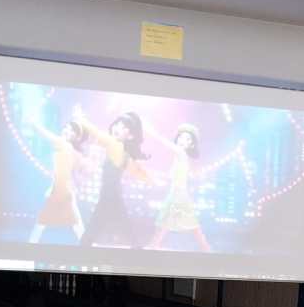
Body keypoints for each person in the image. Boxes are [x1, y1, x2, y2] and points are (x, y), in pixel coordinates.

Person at [75, 108, 150, 248]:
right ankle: (136, 247)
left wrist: (81, 119)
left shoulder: (115, 145)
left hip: (109, 193)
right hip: (112, 193)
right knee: (120, 221)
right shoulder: (120, 149)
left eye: (124, 127)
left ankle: (84, 245)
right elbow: (137, 171)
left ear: (130, 136)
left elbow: (96, 133)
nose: (117, 128)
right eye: (118, 124)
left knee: (99, 222)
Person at [146, 123, 212, 252]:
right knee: (178, 222)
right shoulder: (179, 157)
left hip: (178, 193)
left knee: (172, 221)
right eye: (181, 137)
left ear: (191, 145)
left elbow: (164, 142)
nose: (182, 140)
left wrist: (152, 132)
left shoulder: (181, 153)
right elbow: (172, 176)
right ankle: (206, 248)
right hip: (177, 192)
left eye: (187, 139)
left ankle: (153, 245)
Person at [28, 120, 88, 243]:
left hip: (63, 190)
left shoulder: (62, 143)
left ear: (76, 136)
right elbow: (73, 173)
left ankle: (30, 245)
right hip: (61, 189)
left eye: (72, 130)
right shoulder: (72, 150)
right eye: (66, 127)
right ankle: (87, 246)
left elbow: (45, 133)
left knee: (42, 223)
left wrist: (33, 123)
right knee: (75, 224)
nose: (67, 130)